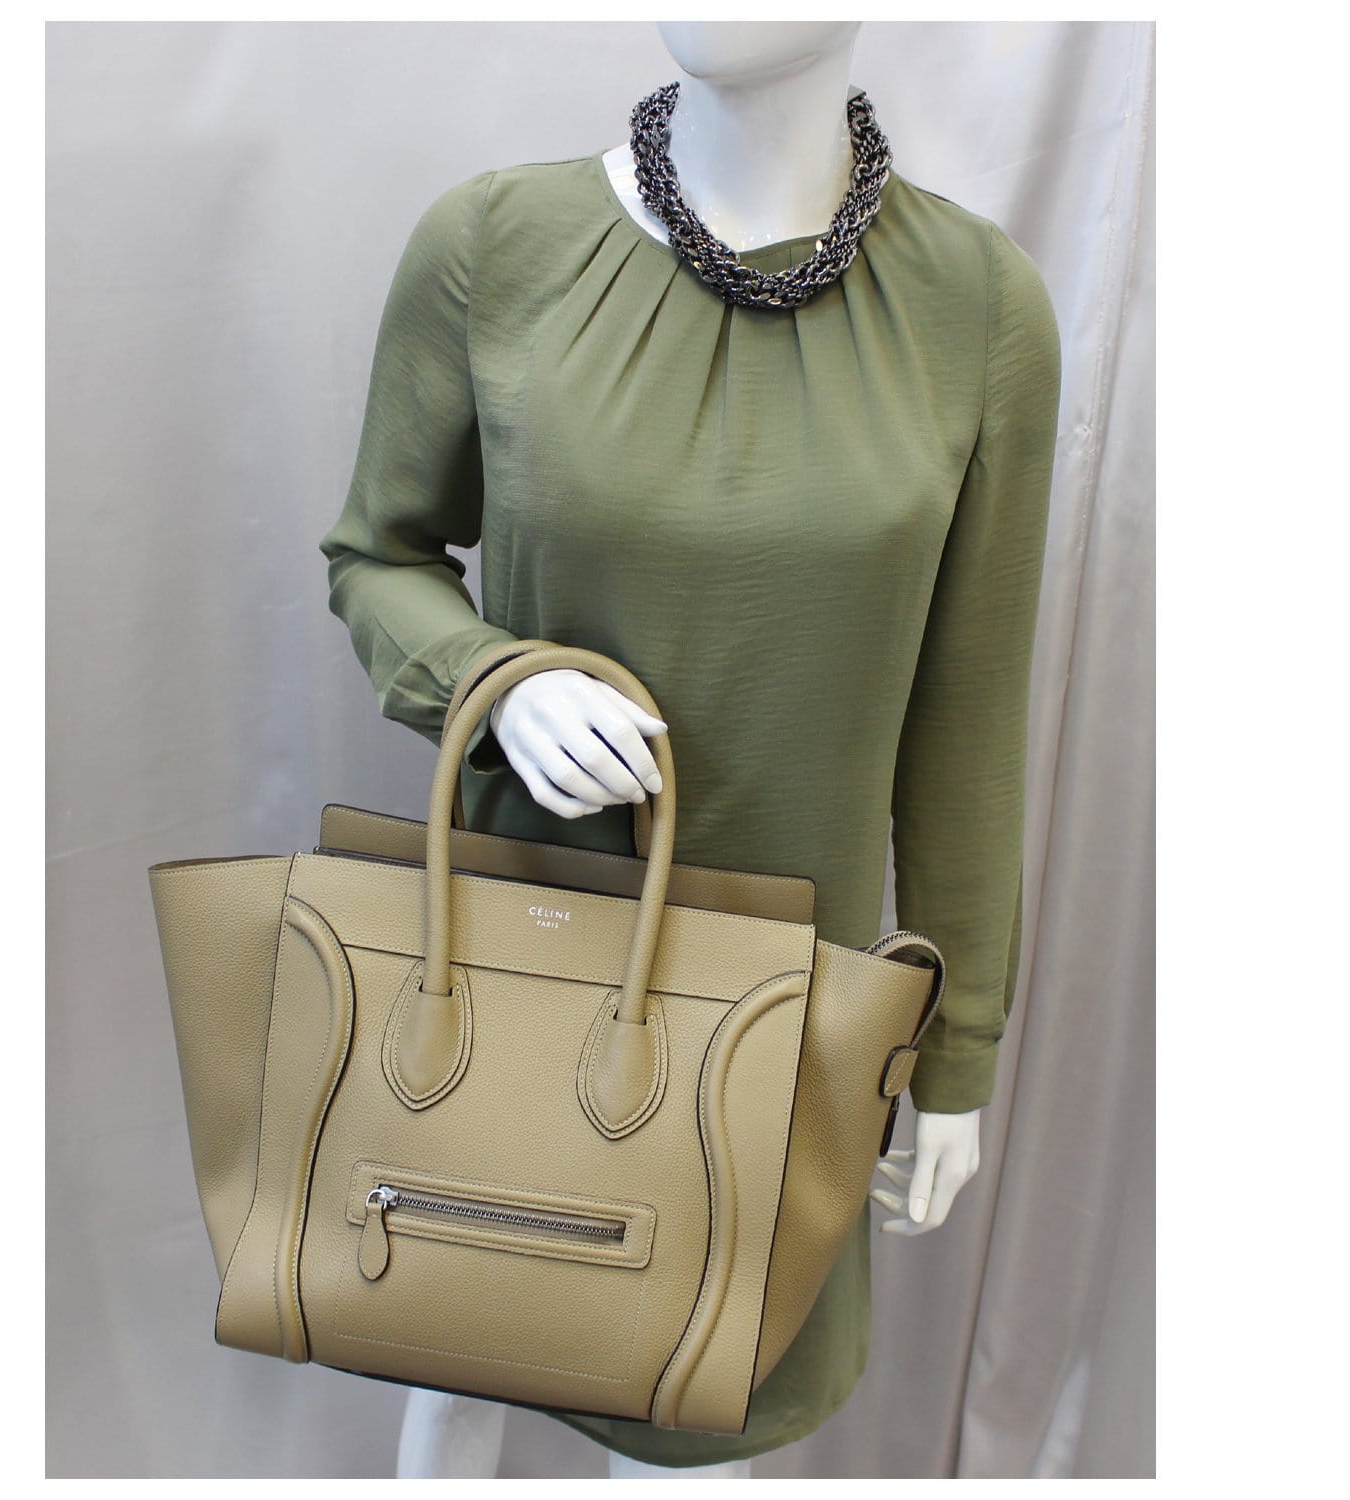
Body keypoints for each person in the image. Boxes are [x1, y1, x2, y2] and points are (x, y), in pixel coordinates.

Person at [318, 19, 1061, 1479]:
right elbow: (378, 555)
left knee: (705, 1401)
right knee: (456, 1358)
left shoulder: (978, 307)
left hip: (783, 1004)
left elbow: (968, 722)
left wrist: (957, 1049)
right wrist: (496, 680)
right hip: (510, 970)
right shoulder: (496, 246)